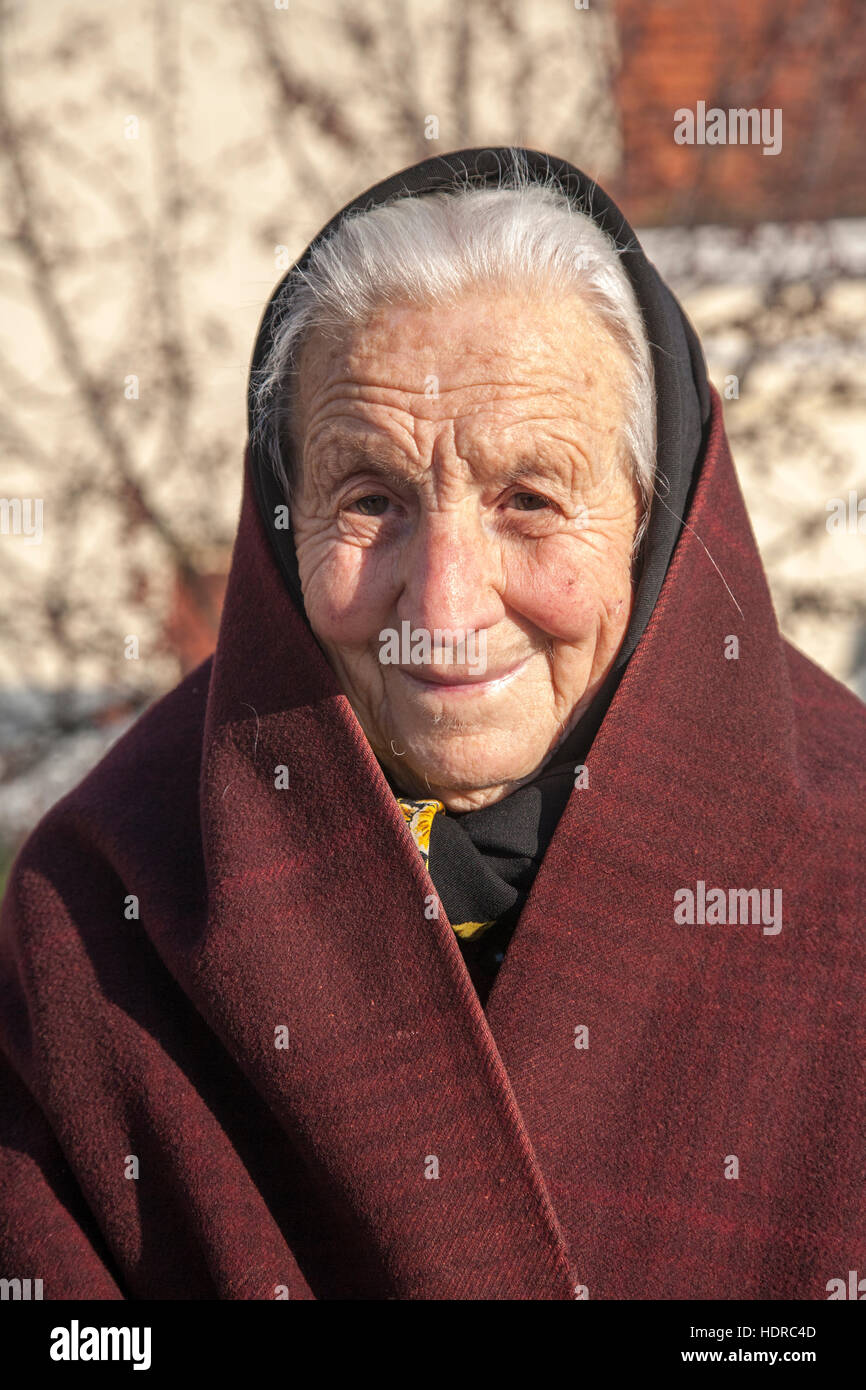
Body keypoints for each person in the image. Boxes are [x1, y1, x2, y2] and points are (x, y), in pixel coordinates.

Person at [1, 147, 864, 1301]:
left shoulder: (841, 885)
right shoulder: (104, 905)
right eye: (369, 501)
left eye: (528, 499)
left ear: (656, 524)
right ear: (279, 521)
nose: (443, 607)